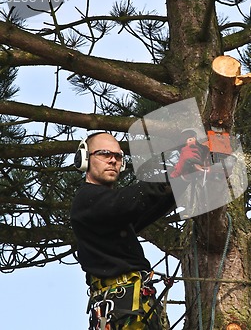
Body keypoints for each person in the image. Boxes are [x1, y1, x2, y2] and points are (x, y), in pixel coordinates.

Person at [70, 132, 204, 330]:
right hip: (122, 310)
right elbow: (132, 201)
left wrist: (183, 178)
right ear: (84, 158)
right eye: (104, 154)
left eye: (118, 156)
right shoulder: (86, 201)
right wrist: (175, 173)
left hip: (136, 308)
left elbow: (148, 208)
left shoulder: (111, 213)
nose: (113, 160)